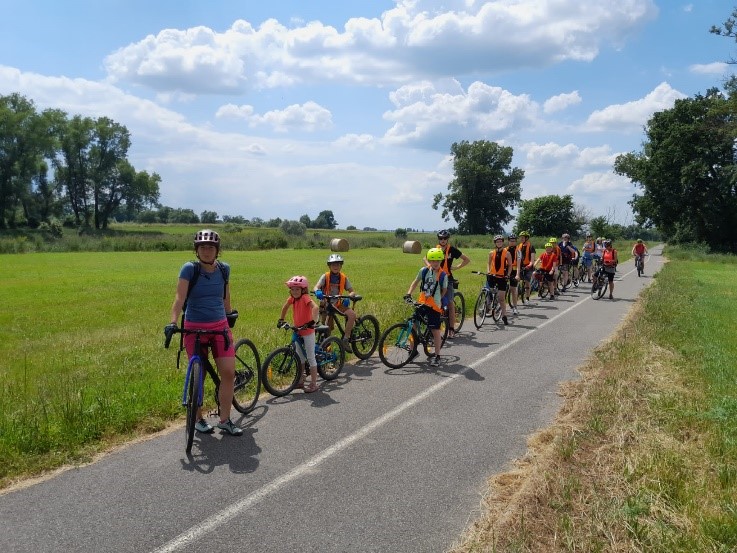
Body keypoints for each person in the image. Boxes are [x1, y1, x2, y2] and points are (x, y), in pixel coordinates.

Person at [166, 229, 242, 436]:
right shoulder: (189, 269)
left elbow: (225, 295)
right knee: (199, 374)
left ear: (217, 251)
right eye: (202, 247)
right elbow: (179, 298)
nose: (206, 251)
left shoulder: (224, 270)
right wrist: (173, 322)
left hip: (219, 327)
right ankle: (198, 418)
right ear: (196, 250)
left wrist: (229, 313)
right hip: (193, 327)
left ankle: (225, 420)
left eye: (210, 247)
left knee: (227, 372)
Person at [406, 247, 448, 367]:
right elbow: (415, 282)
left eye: (438, 261)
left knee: (435, 330)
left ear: (441, 261)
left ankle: (437, 355)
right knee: (413, 324)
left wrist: (438, 299)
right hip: (422, 302)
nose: (435, 263)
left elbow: (444, 290)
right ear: (429, 261)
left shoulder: (442, 275)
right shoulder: (423, 271)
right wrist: (408, 293)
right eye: (432, 261)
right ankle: (413, 351)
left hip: (434, 306)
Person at [279, 276, 321, 393]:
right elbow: (285, 307)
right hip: (298, 330)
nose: (295, 292)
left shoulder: (305, 298)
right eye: (292, 289)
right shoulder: (292, 298)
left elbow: (315, 307)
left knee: (310, 357)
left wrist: (313, 321)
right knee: (300, 357)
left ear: (303, 290)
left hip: (308, 331)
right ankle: (301, 379)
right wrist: (281, 319)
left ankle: (313, 383)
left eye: (297, 289)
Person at [428, 229, 470, 338]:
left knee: (450, 303)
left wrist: (456, 267)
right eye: (441, 238)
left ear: (447, 239)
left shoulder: (452, 250)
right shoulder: (435, 250)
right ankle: (434, 327)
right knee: (433, 303)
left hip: (448, 278)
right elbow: (426, 259)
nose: (442, 240)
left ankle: (451, 329)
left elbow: (466, 259)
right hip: (436, 278)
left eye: (445, 238)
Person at [314, 254, 357, 351]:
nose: (335, 267)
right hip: (327, 305)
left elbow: (352, 291)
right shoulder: (325, 276)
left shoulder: (343, 277)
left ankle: (346, 339)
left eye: (338, 264)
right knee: (326, 329)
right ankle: (327, 350)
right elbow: (316, 287)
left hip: (338, 304)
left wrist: (349, 296)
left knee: (352, 315)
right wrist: (318, 291)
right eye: (333, 265)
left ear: (341, 266)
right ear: (329, 266)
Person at [487, 235, 512, 325]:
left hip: (502, 277)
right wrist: (488, 271)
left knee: (501, 298)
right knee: (489, 292)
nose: (499, 243)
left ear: (502, 242)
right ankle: (488, 307)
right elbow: (488, 263)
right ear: (495, 243)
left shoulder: (507, 253)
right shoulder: (491, 253)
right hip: (493, 276)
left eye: (500, 241)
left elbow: (510, 265)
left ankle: (504, 316)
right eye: (497, 242)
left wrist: (508, 275)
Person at [516, 230, 536, 302]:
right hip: (521, 266)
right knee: (517, 279)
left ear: (527, 238)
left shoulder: (531, 246)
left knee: (527, 282)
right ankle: (517, 294)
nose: (521, 239)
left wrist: (529, 265)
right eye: (520, 237)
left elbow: (532, 259)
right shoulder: (519, 246)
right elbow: (517, 257)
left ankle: (527, 298)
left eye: (523, 237)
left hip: (529, 267)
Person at [505, 234, 520, 315]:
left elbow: (518, 264)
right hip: (505, 270)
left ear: (516, 241)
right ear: (508, 241)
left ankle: (515, 307)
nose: (512, 242)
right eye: (511, 240)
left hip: (514, 270)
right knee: (501, 289)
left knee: (513, 289)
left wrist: (518, 274)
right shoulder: (505, 250)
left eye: (514, 240)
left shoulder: (518, 251)